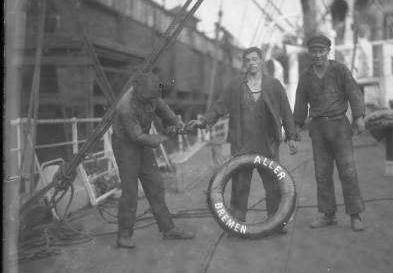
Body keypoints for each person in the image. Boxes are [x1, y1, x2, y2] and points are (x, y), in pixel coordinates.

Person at [189, 47, 298, 233]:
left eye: (255, 59)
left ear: (261, 61)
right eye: (247, 60)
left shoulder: (274, 85)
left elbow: (286, 111)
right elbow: (219, 107)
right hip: (242, 143)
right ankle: (237, 222)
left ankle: (277, 222)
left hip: (267, 143)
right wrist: (203, 121)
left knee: (273, 185)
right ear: (244, 64)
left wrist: (291, 136)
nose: (251, 63)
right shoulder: (234, 86)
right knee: (240, 185)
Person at [112, 72, 195, 248]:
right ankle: (123, 235)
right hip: (126, 145)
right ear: (138, 92)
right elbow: (136, 136)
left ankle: (168, 229)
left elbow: (166, 113)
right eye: (148, 98)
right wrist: (159, 139)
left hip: (142, 143)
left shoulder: (151, 95)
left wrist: (177, 124)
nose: (151, 101)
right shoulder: (125, 107)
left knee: (155, 185)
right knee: (130, 192)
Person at [293, 35, 366, 232]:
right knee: (322, 173)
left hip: (340, 127)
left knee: (348, 171)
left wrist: (359, 116)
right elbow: (300, 103)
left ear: (328, 51)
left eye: (321, 50)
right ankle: (328, 214)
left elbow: (353, 92)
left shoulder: (339, 70)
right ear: (310, 53)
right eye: (314, 51)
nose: (318, 55)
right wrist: (297, 127)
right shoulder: (306, 77)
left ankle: (355, 214)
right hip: (318, 128)